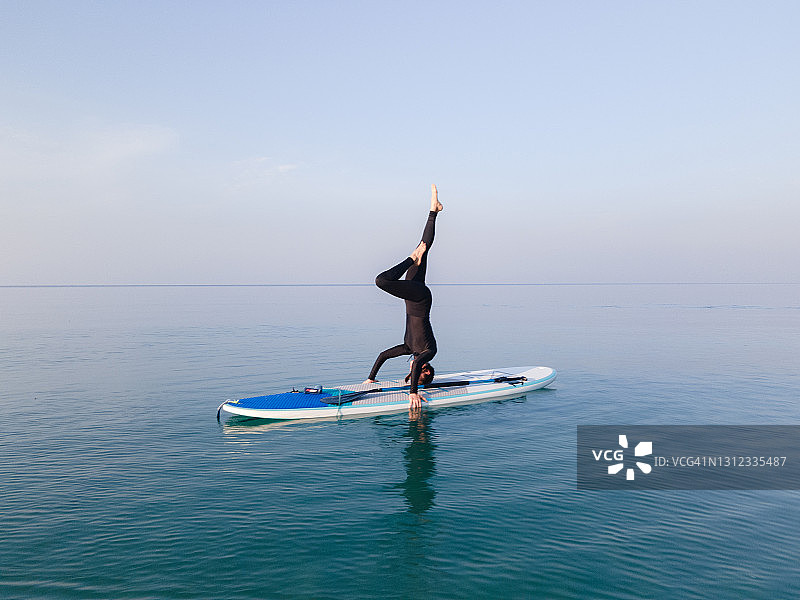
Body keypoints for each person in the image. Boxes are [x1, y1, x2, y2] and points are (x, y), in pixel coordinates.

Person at [364, 184, 443, 410]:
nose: (412, 371)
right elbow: (418, 363)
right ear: (425, 371)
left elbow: (383, 355)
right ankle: (411, 257)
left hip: (413, 294)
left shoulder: (409, 347)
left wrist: (371, 378)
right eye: (416, 374)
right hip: (420, 299)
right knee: (382, 281)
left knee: (423, 247)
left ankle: (433, 210)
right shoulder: (429, 351)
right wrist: (413, 393)